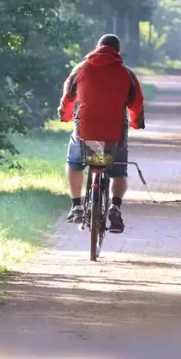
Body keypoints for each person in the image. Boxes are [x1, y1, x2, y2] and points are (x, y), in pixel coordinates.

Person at [58, 33, 145, 233]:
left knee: (75, 164)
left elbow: (68, 99)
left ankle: (77, 206)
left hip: (85, 134)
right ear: (118, 52)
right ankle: (115, 206)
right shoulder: (126, 74)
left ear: (97, 47)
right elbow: (136, 104)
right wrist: (135, 123)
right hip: (114, 137)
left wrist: (65, 116)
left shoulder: (80, 70)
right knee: (119, 173)